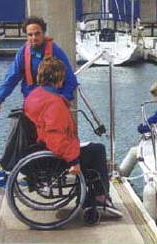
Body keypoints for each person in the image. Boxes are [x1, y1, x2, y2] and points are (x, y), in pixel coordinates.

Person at [24, 56, 122, 217]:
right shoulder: (53, 102)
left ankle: (90, 197)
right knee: (98, 150)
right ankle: (99, 196)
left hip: (42, 146)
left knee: (91, 149)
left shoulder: (34, 95)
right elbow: (56, 136)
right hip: (54, 155)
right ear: (59, 78)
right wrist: (73, 160)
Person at [0, 16, 77, 118]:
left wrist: (63, 100)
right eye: (30, 35)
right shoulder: (22, 53)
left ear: (43, 33)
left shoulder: (55, 51)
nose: (34, 38)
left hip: (53, 106)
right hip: (32, 105)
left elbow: (71, 80)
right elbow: (11, 78)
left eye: (37, 34)